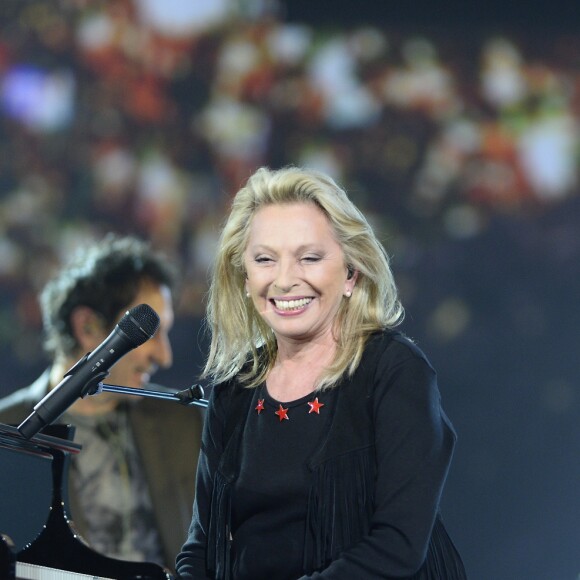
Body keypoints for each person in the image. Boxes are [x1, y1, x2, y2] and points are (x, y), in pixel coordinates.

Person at [176, 166, 467, 579]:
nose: (285, 279)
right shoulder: (235, 390)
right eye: (264, 259)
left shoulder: (394, 372)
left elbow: (397, 547)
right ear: (243, 277)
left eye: (309, 258)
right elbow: (200, 547)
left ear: (351, 272)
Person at [0, 234, 203, 573]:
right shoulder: (7, 431)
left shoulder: (182, 421)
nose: (165, 356)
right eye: (149, 334)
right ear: (87, 326)